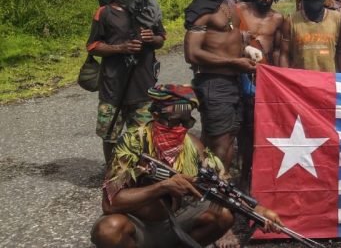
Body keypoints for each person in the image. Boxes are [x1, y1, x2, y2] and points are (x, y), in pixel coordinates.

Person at [90, 84, 282, 248]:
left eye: (187, 121)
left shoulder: (193, 145)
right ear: (156, 115)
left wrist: (257, 210)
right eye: (175, 122)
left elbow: (223, 183)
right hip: (138, 225)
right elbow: (110, 202)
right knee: (108, 229)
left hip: (175, 222)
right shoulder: (133, 142)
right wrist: (163, 186)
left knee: (222, 215)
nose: (182, 128)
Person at [184, 0, 257, 172]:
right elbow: (193, 54)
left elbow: (230, 38)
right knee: (219, 142)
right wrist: (235, 63)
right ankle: (215, 198)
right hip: (214, 83)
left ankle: (219, 188)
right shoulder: (201, 10)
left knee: (231, 135)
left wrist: (246, 50)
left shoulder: (228, 3)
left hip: (234, 81)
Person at [88, 0, 166, 164]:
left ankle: (140, 171)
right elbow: (93, 46)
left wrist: (152, 38)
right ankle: (111, 172)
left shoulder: (149, 12)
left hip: (143, 86)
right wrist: (120, 48)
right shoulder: (104, 13)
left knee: (143, 134)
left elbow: (161, 39)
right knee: (110, 135)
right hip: (113, 86)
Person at [236, 0, 284, 189]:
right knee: (240, 127)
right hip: (238, 73)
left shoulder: (278, 19)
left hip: (264, 79)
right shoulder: (239, 11)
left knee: (260, 127)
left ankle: (258, 172)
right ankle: (242, 174)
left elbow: (280, 51)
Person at [280, 0, 341, 72]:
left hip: (329, 81)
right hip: (301, 82)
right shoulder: (291, 21)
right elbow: (284, 54)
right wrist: (285, 77)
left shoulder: (338, 19)